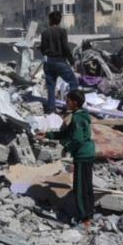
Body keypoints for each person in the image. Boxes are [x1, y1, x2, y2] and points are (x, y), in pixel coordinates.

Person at [37, 90, 95, 226]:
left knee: (80, 187)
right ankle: (89, 213)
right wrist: (47, 135)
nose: (66, 103)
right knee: (87, 185)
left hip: (82, 155)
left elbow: (77, 139)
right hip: (88, 153)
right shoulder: (81, 115)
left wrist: (66, 149)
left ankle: (84, 218)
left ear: (75, 102)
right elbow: (66, 133)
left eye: (68, 100)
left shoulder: (78, 118)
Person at [39, 10, 79, 113]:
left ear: (50, 20)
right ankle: (71, 106)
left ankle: (51, 110)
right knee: (73, 82)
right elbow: (65, 48)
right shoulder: (62, 31)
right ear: (59, 20)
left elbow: (43, 49)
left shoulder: (44, 32)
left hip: (48, 62)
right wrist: (72, 61)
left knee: (51, 87)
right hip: (60, 61)